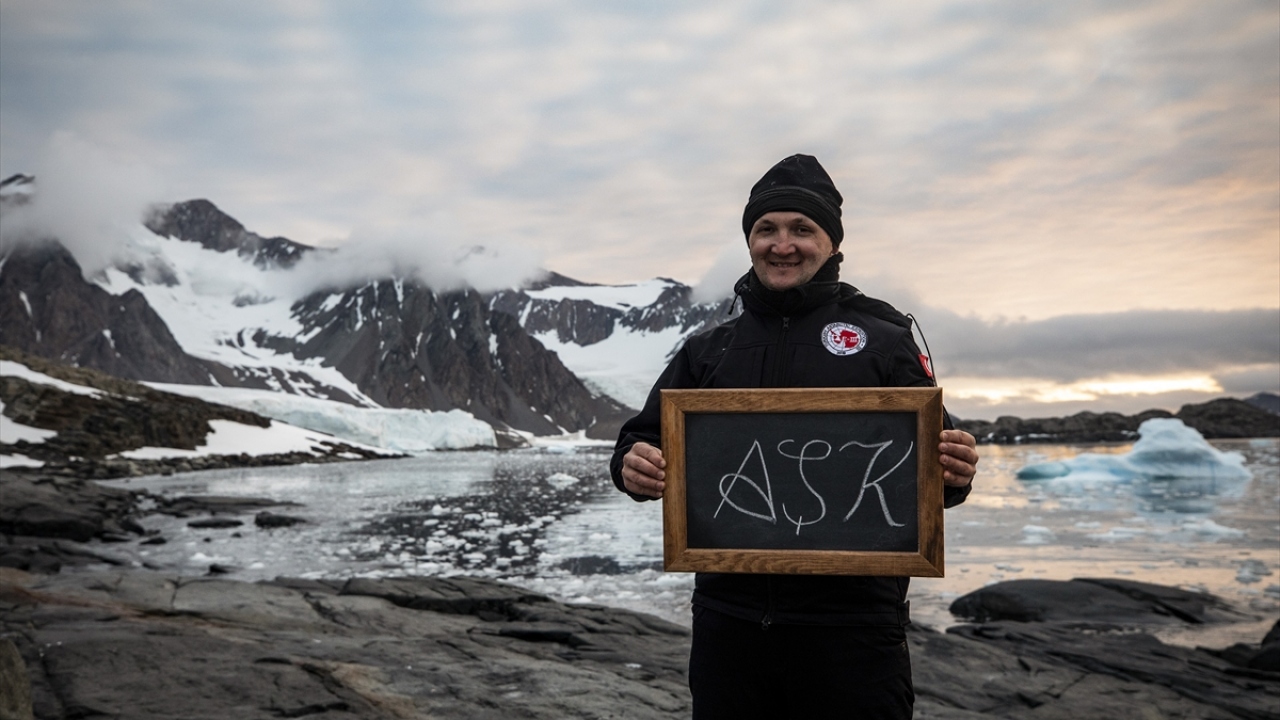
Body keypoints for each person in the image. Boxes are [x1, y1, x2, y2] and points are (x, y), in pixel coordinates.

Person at [610, 154, 979, 719]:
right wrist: (632, 467)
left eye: (802, 229)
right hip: (729, 629)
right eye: (766, 229)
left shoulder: (883, 340)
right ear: (750, 242)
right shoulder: (710, 349)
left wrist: (953, 472)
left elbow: (934, 469)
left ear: (831, 244)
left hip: (854, 633)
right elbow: (641, 439)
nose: (782, 244)